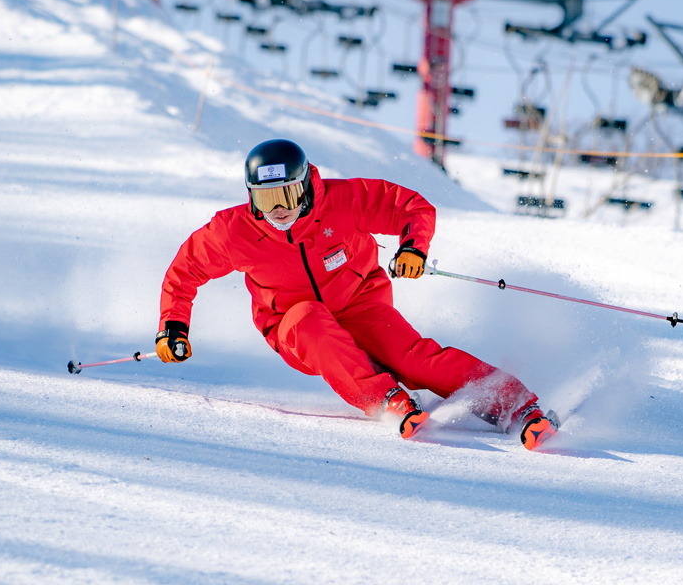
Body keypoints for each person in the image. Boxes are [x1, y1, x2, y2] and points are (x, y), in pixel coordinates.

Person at [155, 138, 557, 450]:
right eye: (265, 198)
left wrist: (413, 247)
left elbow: (410, 207)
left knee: (413, 359)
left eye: (287, 195)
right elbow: (184, 271)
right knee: (310, 318)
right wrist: (173, 326)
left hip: (361, 304)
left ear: (305, 186)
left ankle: (518, 405)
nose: (278, 209)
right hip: (292, 324)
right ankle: (387, 400)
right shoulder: (234, 231)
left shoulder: (343, 201)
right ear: (251, 196)